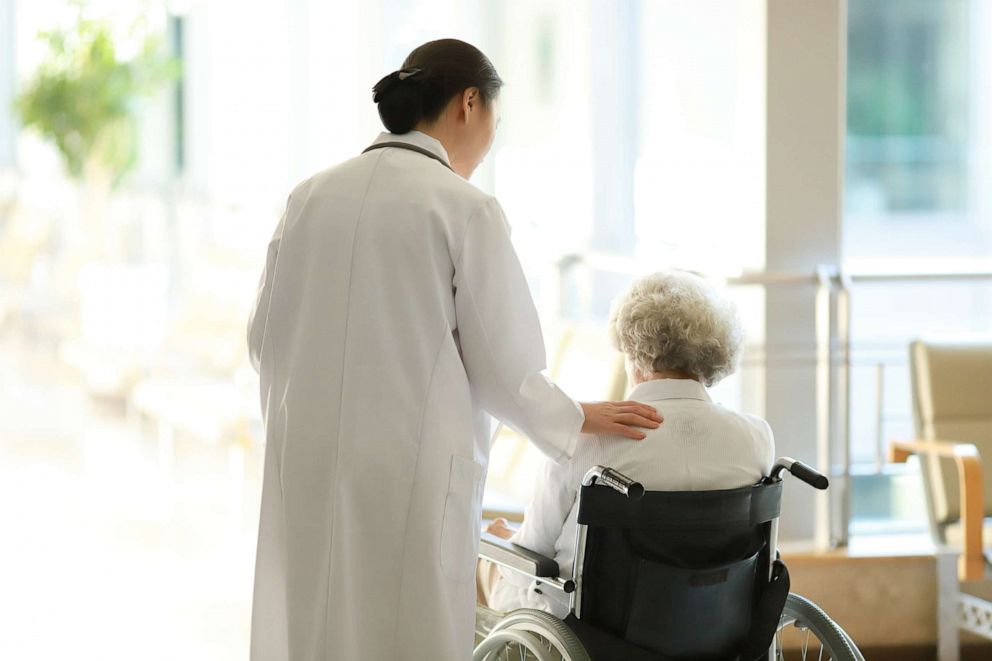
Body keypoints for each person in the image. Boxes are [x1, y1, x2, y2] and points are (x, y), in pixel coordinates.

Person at [246, 38, 662, 661]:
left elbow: (263, 338)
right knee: (402, 632)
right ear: (470, 103)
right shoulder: (463, 208)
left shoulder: (308, 197)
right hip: (408, 472)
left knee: (313, 622)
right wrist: (577, 417)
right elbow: (505, 364)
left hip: (307, 457)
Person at [477, 271, 775, 618]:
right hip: (712, 621)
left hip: (591, 629)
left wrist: (499, 538)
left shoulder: (584, 442)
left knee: (488, 559)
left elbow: (528, 559)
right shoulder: (756, 439)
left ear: (632, 351)